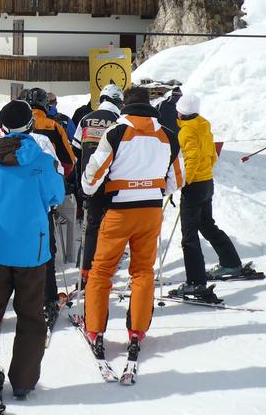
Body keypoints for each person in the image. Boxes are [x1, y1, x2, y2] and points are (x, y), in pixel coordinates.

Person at [0, 100, 64, 410]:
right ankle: (23, 380)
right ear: (30, 126)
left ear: (2, 127)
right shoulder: (43, 162)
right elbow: (56, 196)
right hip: (33, 251)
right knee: (31, 315)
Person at [80, 86, 184, 359]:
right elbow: (177, 179)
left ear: (124, 105)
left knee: (101, 271)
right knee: (143, 271)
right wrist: (154, 189)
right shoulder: (168, 135)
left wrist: (91, 189)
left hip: (119, 210)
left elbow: (93, 176)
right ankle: (137, 330)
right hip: (150, 212)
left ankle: (95, 329)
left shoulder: (116, 132)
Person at [174, 93, 243, 296]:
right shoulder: (203, 125)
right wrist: (204, 173)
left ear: (181, 112)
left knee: (189, 236)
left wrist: (184, 181)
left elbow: (192, 158)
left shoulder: (186, 131)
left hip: (194, 185)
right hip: (206, 182)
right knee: (206, 224)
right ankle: (231, 262)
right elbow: (212, 154)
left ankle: (196, 282)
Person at [25, 88, 76, 318]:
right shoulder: (54, 126)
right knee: (46, 246)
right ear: (46, 105)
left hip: (15, 195)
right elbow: (69, 160)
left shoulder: (13, 125)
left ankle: (20, 295)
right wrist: (58, 182)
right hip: (44, 195)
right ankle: (48, 298)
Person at [71, 83, 123, 282]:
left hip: (90, 181)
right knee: (111, 227)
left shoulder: (86, 119)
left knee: (92, 226)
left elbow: (76, 151)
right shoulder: (119, 121)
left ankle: (86, 271)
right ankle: (105, 269)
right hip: (113, 181)